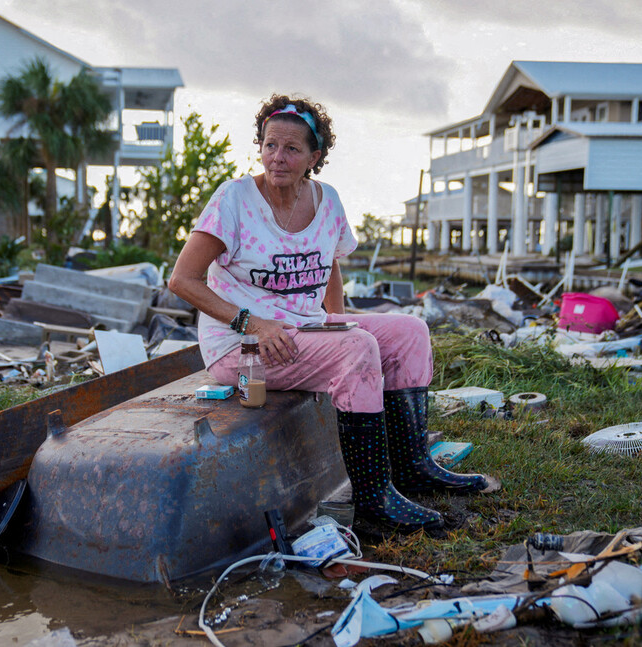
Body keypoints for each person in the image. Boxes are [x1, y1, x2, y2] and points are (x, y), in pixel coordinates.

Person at [169, 94, 489, 533]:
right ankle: (375, 502)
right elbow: (182, 280)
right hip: (242, 345)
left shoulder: (327, 200)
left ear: (314, 157)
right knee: (356, 349)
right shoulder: (234, 200)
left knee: (411, 330)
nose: (277, 158)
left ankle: (413, 468)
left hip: (306, 327)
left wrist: (336, 320)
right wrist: (253, 323)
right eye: (269, 145)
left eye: (291, 148)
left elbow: (330, 262)